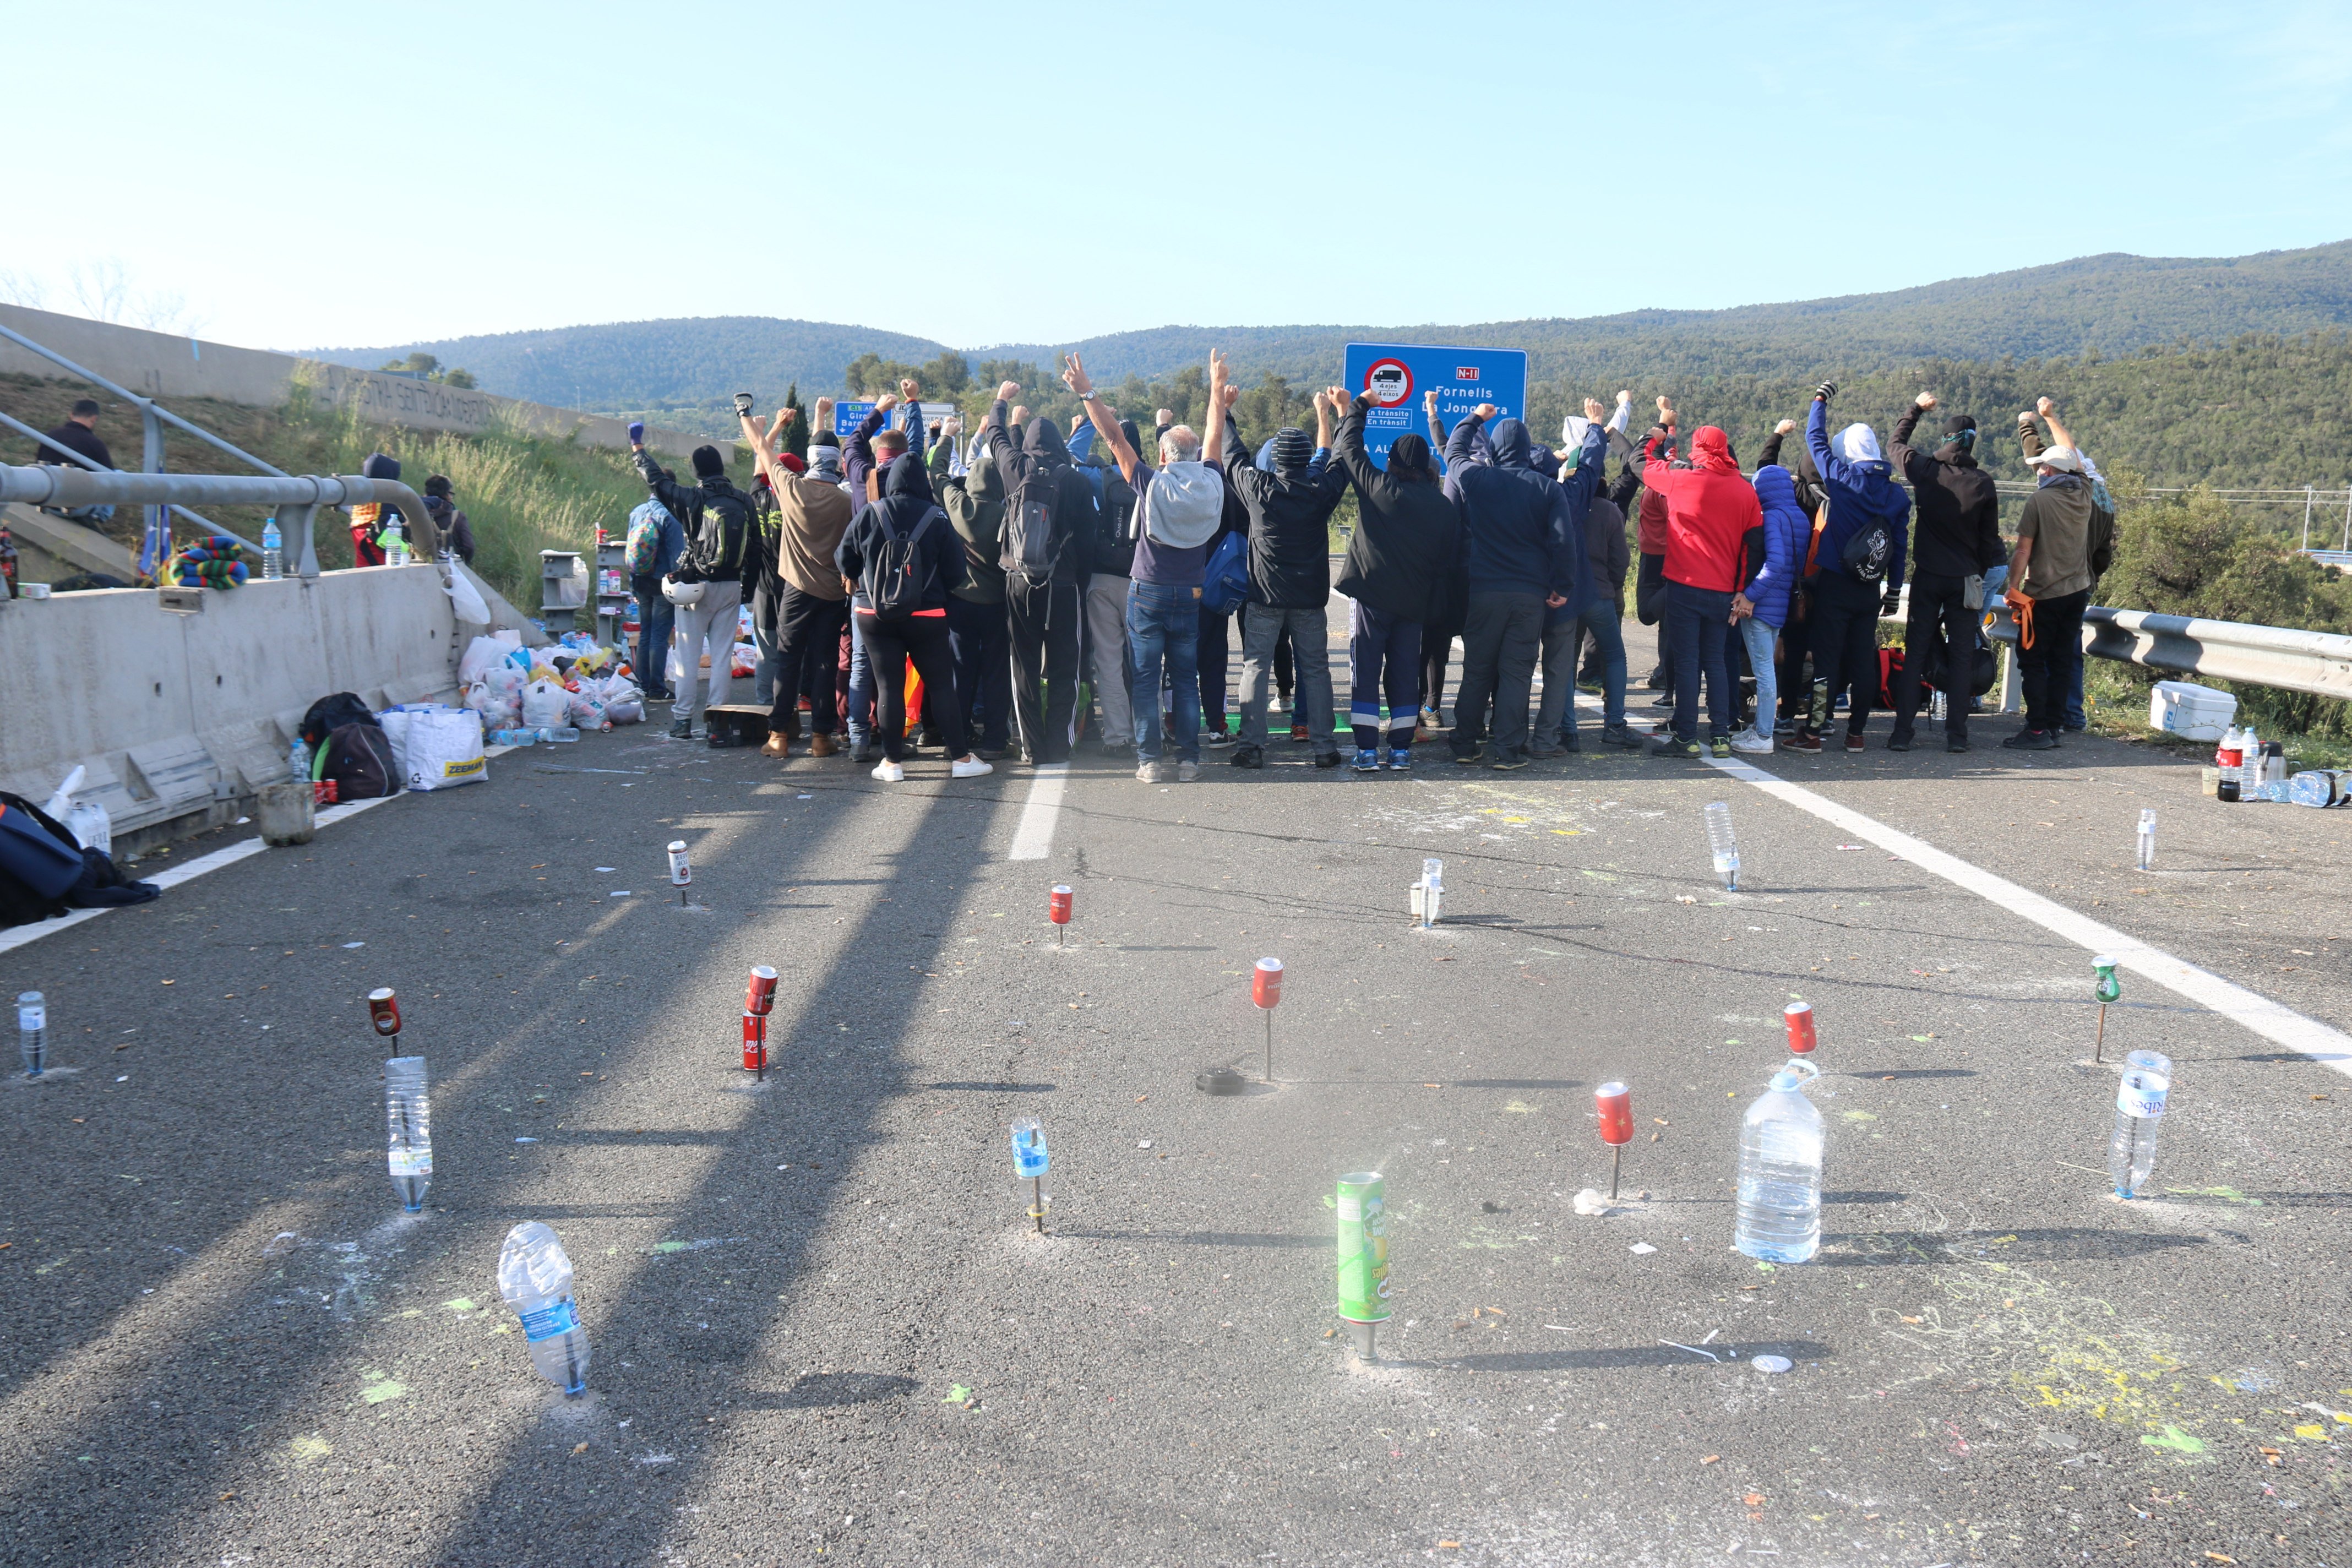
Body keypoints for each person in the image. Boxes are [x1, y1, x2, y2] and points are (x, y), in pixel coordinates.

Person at [1066, 352, 1227, 783]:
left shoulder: (1152, 483)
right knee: (1185, 680)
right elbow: (1215, 436)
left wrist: (1088, 392)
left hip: (1148, 590)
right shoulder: (1213, 483)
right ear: (1195, 456)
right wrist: (1217, 391)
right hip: (1191, 592)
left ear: (1162, 453)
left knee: (1143, 678)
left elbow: (1115, 438)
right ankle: (1189, 761)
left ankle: (1150, 762)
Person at [1442, 404, 1596, 769]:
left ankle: (1465, 744)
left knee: (1478, 669)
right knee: (1517, 672)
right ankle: (1508, 751)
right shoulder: (1547, 489)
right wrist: (1563, 585)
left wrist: (1476, 418)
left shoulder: (1477, 480)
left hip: (1483, 592)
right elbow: (1563, 543)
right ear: (1527, 450)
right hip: (1529, 595)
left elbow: (1453, 451)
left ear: (1494, 450)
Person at [1324, 384, 1463, 770]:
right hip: (1414, 603)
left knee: (1365, 671)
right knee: (1404, 674)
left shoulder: (1382, 490)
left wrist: (1360, 406)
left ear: (1394, 462)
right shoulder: (1442, 507)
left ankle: (1367, 750)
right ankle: (1400, 749)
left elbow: (1350, 450)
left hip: (1371, 596)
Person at [832, 450, 993, 783]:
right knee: (941, 685)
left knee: (888, 685)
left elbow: (844, 559)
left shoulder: (870, 512)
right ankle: (961, 758)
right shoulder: (936, 517)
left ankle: (891, 764)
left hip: (873, 612)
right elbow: (956, 572)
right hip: (926, 613)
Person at [1220, 383, 1350, 770]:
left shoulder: (1258, 488)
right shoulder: (1320, 489)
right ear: (1306, 458)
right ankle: (1324, 748)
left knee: (1255, 666)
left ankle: (1251, 746)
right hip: (1309, 597)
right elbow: (1340, 457)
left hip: (1265, 595)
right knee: (1317, 669)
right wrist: (1342, 415)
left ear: (1274, 459)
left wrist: (1226, 410)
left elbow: (1232, 455)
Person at [982, 379, 1097, 766]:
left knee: (1025, 667)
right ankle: (1059, 746)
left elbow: (996, 435)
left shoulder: (1015, 468)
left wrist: (1001, 401)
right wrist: (1078, 582)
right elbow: (1090, 541)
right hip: (1063, 586)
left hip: (1018, 583)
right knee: (1066, 667)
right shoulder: (1077, 481)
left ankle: (1032, 747)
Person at [1792, 385, 1910, 753]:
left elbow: (1816, 440)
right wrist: (1892, 591)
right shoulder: (1897, 495)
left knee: (1827, 659)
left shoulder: (1844, 480)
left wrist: (1820, 401)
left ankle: (1812, 734)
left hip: (1836, 584)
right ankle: (1856, 734)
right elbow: (1900, 546)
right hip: (1869, 589)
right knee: (1863, 660)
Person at [737, 401, 854, 758]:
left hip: (796, 591)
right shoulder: (846, 501)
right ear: (836, 462)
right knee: (824, 664)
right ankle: (822, 738)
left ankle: (779, 737)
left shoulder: (792, 488)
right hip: (833, 595)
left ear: (812, 458)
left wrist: (744, 415)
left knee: (787, 660)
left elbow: (762, 449)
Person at [1888, 392, 2003, 753]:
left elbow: (1895, 444)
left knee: (1917, 654)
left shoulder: (1927, 471)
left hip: (1928, 576)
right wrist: (1976, 573)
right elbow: (1989, 542)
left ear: (1946, 440)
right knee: (1961, 658)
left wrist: (1916, 410)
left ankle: (1902, 734)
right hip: (1965, 578)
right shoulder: (1983, 483)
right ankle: (1957, 736)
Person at [1640, 421, 1762, 758]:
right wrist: (1743, 591)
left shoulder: (1683, 480)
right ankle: (1721, 736)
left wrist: (1654, 440)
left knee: (1687, 662)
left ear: (1699, 449)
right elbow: (1753, 547)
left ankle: (1686, 738)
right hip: (1724, 591)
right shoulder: (1745, 491)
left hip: (1684, 586)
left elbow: (1641, 464)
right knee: (1717, 662)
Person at [2003, 399, 2115, 750]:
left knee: (2033, 661)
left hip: (2043, 595)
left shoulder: (2039, 502)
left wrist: (2013, 587)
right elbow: (2071, 454)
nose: (2038, 471)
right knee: (2062, 659)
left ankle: (2035, 729)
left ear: (2050, 471)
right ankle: (2053, 725)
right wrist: (2050, 418)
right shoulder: (2084, 491)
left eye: (2041, 468)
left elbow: (2023, 550)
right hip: (2078, 590)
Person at [630, 423, 753, 740]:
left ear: (697, 471)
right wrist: (747, 590)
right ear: (722, 469)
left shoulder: (691, 499)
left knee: (688, 654)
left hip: (694, 588)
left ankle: (683, 721)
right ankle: (718, 721)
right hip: (730, 587)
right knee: (723, 655)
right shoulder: (742, 499)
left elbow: (657, 481)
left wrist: (638, 449)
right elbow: (756, 547)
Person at [1534, 421, 1639, 752]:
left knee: (1563, 661)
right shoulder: (1609, 511)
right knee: (1615, 656)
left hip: (1562, 596)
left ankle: (1569, 729)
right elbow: (1621, 560)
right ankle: (1616, 725)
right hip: (1600, 595)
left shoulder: (1559, 500)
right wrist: (1613, 585)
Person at [929, 425, 1014, 760]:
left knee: (961, 671)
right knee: (995, 672)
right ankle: (995, 740)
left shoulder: (958, 504)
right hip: (997, 603)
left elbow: (936, 473)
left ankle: (959, 737)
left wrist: (946, 438)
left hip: (961, 602)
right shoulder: (1008, 511)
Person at [1064, 411, 1136, 758]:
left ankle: (1118, 735)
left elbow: (1071, 458)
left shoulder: (1098, 477)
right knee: (1146, 660)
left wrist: (1084, 426)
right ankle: (1149, 732)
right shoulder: (1151, 479)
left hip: (1101, 579)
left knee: (1107, 661)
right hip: (1141, 579)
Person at [1730, 464, 1809, 754]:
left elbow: (1774, 562)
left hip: (1762, 603)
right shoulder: (1798, 516)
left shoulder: (1772, 517)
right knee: (1767, 671)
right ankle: (1760, 729)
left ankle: (1763, 735)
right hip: (1782, 604)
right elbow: (1793, 565)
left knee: (1763, 672)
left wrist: (1750, 595)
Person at [625, 480, 685, 701]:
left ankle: (643, 686)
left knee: (645, 636)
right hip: (661, 584)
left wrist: (632, 585)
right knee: (660, 637)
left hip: (641, 581)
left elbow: (630, 552)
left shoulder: (636, 512)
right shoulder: (670, 516)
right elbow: (677, 558)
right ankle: (658, 689)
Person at [349, 453, 402, 567]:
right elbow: (388, 540)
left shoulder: (359, 503)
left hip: (362, 571)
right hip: (385, 572)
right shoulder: (387, 503)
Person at [421, 476, 475, 566]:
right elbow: (469, 547)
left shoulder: (419, 513)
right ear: (446, 494)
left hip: (425, 567)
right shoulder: (458, 516)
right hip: (453, 567)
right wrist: (466, 563)